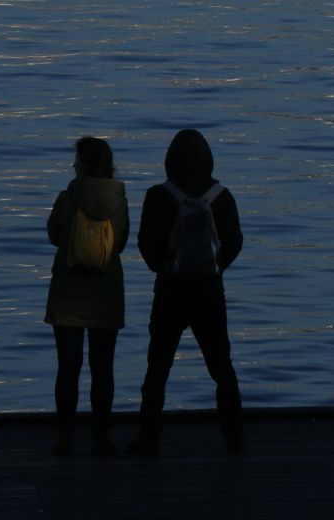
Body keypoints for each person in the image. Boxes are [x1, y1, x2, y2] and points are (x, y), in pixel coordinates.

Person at [130, 129, 245, 455]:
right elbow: (234, 242)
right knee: (222, 367)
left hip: (170, 291)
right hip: (209, 292)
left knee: (158, 367)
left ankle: (149, 437)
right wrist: (216, 267)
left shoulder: (158, 195)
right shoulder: (221, 196)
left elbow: (146, 244)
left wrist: (162, 267)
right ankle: (234, 435)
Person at [45, 136, 129, 457]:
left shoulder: (68, 198)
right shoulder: (119, 200)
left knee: (68, 367)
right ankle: (100, 437)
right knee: (102, 367)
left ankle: (65, 438)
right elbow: (120, 243)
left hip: (68, 293)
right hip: (106, 292)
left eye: (76, 158)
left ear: (82, 163)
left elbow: (54, 235)